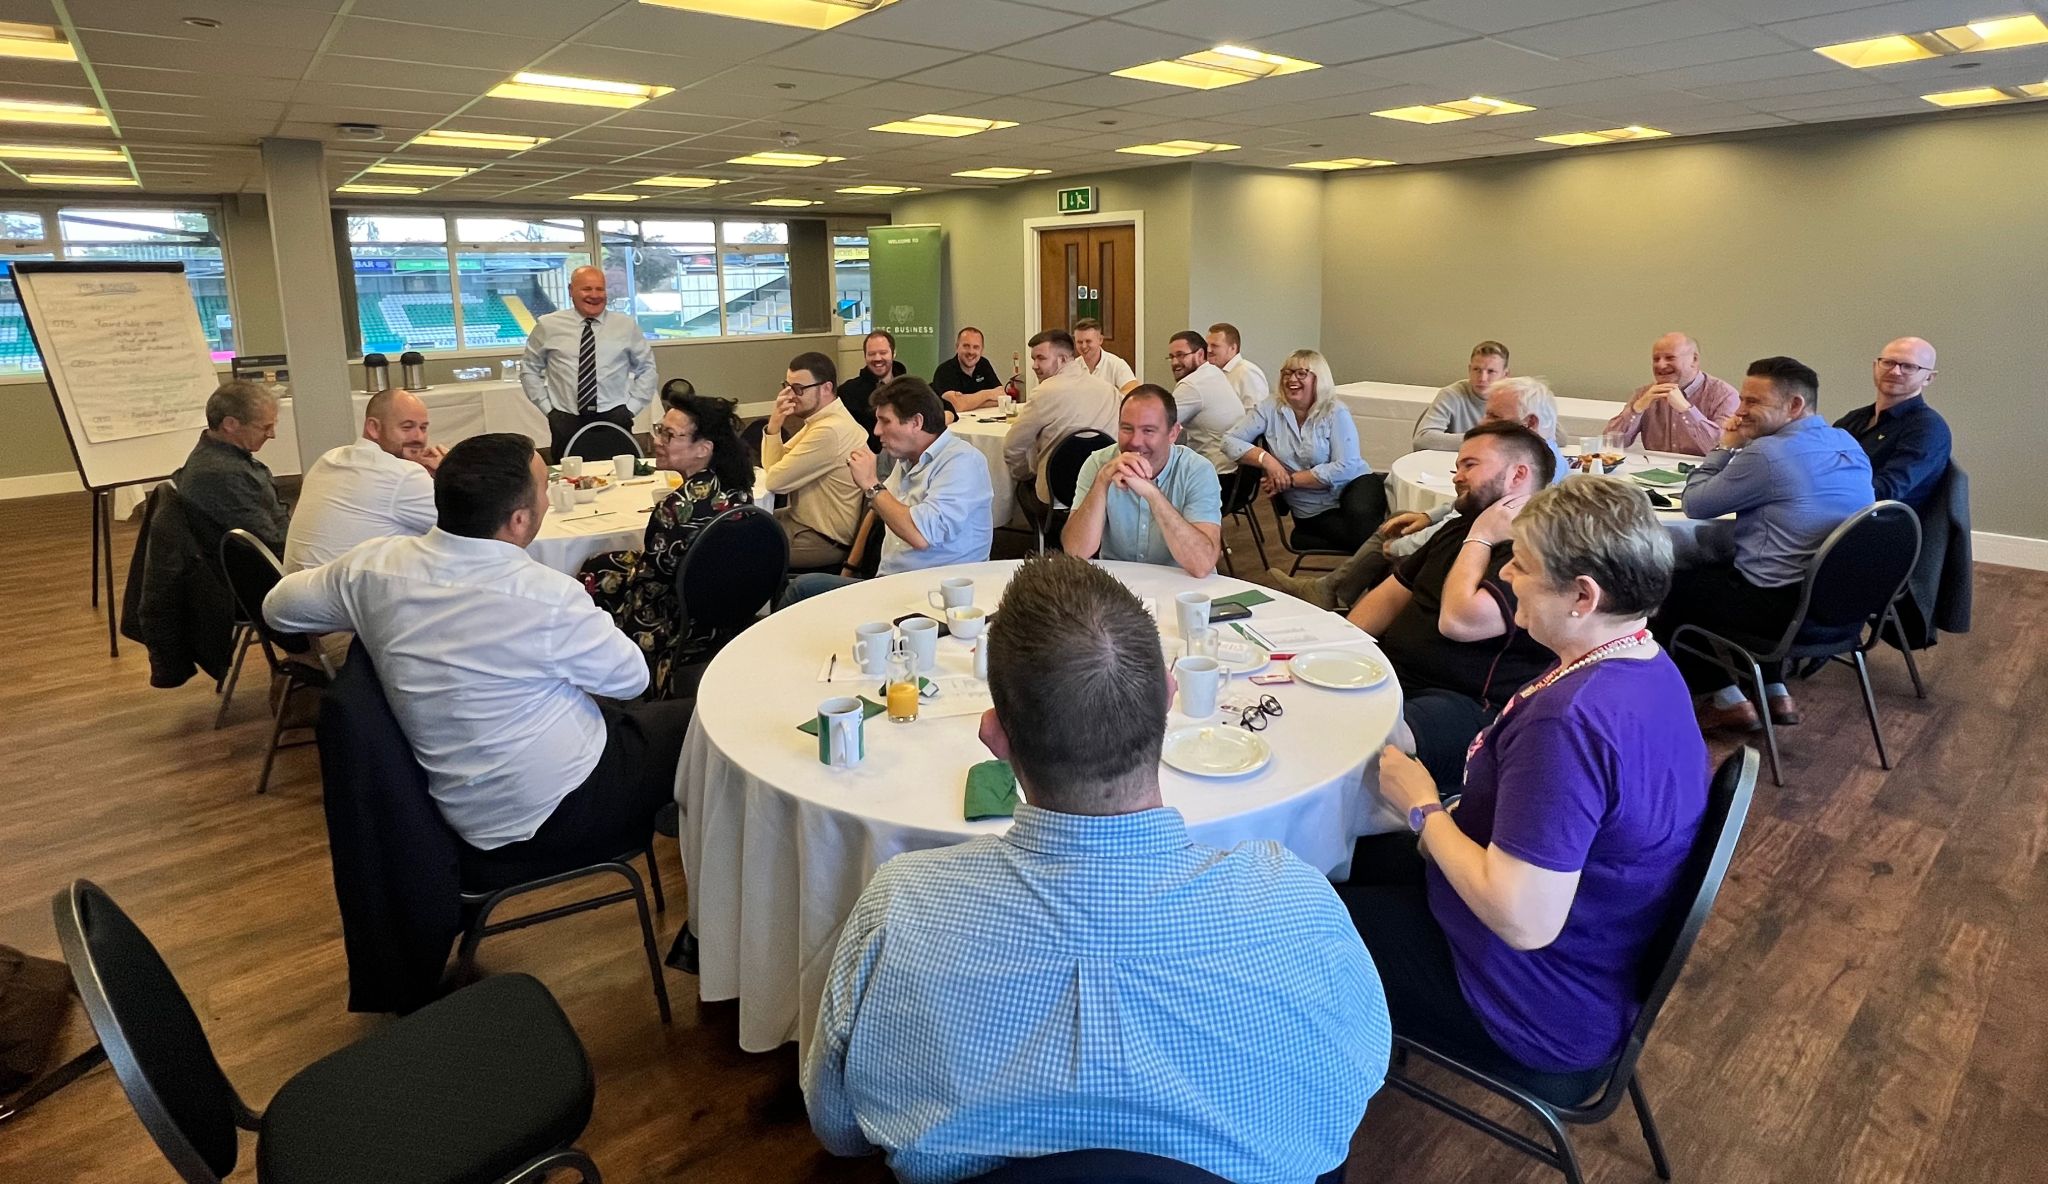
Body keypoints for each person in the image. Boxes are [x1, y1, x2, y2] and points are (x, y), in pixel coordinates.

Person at [804, 553, 1390, 1184]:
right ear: (1169, 703)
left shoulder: (899, 907)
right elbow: (1355, 1086)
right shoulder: (1296, 902)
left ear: (994, 737)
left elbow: (838, 1128)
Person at [1343, 476, 1707, 1080]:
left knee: (1283, 919)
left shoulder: (1569, 724)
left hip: (1529, 998)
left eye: (1523, 564)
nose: (1506, 574)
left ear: (1582, 595)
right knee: (1346, 852)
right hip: (1591, 951)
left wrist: (1424, 809)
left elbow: (1522, 920)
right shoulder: (1648, 664)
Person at [262, 433, 691, 882]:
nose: (548, 500)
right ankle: (702, 882)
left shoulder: (372, 567)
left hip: (460, 808)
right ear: (520, 520)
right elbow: (631, 680)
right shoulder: (545, 596)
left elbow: (278, 608)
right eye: (544, 490)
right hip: (551, 811)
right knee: (697, 723)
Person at [1652, 356, 1873, 731]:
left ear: (1795, 405)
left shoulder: (1768, 454)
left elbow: (1695, 504)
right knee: (1744, 567)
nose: (1739, 411)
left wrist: (1724, 447)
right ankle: (1774, 690)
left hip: (1779, 611)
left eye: (1753, 401)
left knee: (1663, 583)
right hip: (1839, 606)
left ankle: (1725, 698)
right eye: (1742, 399)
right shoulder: (1846, 442)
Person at [1347, 421, 1555, 789]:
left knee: (1366, 742)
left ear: (1518, 475)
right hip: (1393, 675)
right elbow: (1389, 596)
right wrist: (1341, 649)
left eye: (1470, 465)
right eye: (1457, 466)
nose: (1457, 477)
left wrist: (1482, 536)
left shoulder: (1541, 551)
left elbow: (1459, 622)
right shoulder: (1458, 528)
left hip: (1464, 702)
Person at [1265, 376, 1562, 613]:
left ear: (1530, 423)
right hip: (1467, 538)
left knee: (1394, 540)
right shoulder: (1529, 456)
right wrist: (1426, 516)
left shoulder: (1532, 471)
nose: (1482, 422)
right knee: (1398, 520)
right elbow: (1467, 507)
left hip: (1472, 555)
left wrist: (1407, 546)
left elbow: (1465, 525)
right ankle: (1334, 591)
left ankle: (1342, 595)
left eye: (1494, 416)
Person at [580, 394, 754, 698]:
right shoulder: (739, 489)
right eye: (660, 429)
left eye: (669, 435)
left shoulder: (676, 508)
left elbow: (653, 577)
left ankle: (613, 674)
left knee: (594, 571)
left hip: (679, 613)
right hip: (731, 601)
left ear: (703, 449)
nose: (657, 440)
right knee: (604, 561)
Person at [782, 377, 994, 604]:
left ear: (916, 422)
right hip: (893, 584)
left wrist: (871, 485)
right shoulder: (908, 460)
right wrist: (850, 567)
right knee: (801, 586)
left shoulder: (962, 462)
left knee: (802, 589)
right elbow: (877, 510)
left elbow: (921, 536)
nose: (876, 431)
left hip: (933, 596)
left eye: (885, 421)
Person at [1063, 386, 1222, 578]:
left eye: (1148, 430)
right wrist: (1102, 482)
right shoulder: (1098, 464)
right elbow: (1075, 552)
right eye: (1127, 428)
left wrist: (1152, 494)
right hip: (1119, 586)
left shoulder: (1197, 470)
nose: (1136, 441)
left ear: (1173, 433)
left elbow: (1201, 564)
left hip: (1183, 583)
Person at [282, 388, 442, 575]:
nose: (419, 438)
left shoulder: (330, 458)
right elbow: (469, 528)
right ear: (373, 428)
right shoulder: (404, 475)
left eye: (423, 428)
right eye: (407, 428)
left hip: (297, 588)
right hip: (348, 592)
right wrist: (451, 474)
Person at [1222, 349, 1372, 545]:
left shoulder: (1336, 410)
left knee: (1365, 526)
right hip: (1311, 505)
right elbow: (1229, 441)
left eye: (1301, 373)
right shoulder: (1269, 408)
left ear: (1319, 379)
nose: (1292, 379)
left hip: (1354, 486)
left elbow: (1347, 466)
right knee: (1370, 538)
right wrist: (1267, 461)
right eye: (1287, 373)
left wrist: (1290, 480)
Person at [519, 264, 657, 461]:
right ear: (571, 291)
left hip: (615, 416)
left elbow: (647, 368)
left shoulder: (626, 326)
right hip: (566, 419)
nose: (594, 295)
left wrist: (631, 409)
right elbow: (529, 369)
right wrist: (548, 409)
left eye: (600, 289)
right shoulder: (548, 325)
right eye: (586, 289)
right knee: (568, 476)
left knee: (620, 474)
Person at [762, 351, 867, 571]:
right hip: (803, 522)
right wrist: (775, 423)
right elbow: (775, 465)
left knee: (743, 551)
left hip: (822, 539)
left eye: (798, 388)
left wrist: (776, 425)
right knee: (747, 523)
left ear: (826, 388)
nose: (790, 395)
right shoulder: (822, 420)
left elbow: (775, 481)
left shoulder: (830, 430)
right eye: (787, 386)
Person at [1833, 336, 1952, 512]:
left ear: (1928, 378)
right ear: (1875, 367)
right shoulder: (1854, 419)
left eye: (1909, 366)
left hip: (1874, 521)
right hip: (1831, 511)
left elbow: (1886, 491)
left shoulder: (1928, 428)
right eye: (1888, 363)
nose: (1895, 371)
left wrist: (1825, 490)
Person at [1002, 328, 1119, 506]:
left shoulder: (1044, 392)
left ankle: (1046, 525)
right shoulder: (1109, 390)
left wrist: (1026, 474)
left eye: (1041, 358)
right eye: (1033, 359)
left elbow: (1012, 447)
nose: (1034, 365)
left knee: (1022, 489)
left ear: (1063, 359)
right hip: (1105, 491)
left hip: (1057, 495)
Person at [174, 379, 289, 557]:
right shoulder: (222, 475)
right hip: (258, 567)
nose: (272, 434)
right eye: (266, 427)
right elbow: (269, 545)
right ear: (230, 424)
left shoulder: (216, 457)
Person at [1602, 332, 1740, 457]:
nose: (1661, 365)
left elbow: (1722, 449)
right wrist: (1636, 409)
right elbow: (1610, 443)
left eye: (1670, 358)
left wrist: (1687, 410)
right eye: (1656, 359)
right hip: (1652, 471)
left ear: (1694, 360)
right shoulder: (1644, 394)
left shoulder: (1724, 395)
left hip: (1703, 472)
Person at [1163, 330, 1242, 470]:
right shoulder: (1213, 372)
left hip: (1215, 472)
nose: (1174, 362)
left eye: (1181, 355)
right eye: (1171, 357)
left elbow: (1159, 425)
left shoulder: (1191, 384)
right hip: (1235, 467)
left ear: (1200, 354)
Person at [1413, 340, 1509, 451]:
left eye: (1491, 371)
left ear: (1505, 375)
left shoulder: (1513, 399)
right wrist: (1481, 440)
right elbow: (1422, 440)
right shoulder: (1451, 394)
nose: (1482, 378)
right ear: (1469, 369)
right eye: (1477, 369)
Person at [837, 328, 908, 451]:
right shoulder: (847, 392)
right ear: (865, 356)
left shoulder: (909, 388)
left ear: (894, 353)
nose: (877, 358)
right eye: (871, 354)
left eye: (883, 353)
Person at [932, 326, 1003, 413]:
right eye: (966, 346)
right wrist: (988, 394)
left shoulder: (984, 364)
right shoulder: (944, 370)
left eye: (976, 347)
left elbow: (1001, 396)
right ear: (957, 347)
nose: (971, 352)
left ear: (982, 350)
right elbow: (955, 405)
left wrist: (966, 401)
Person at [1207, 321, 1270, 412]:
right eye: (1207, 345)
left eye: (1215, 346)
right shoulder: (1214, 372)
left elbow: (1257, 414)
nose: (1208, 350)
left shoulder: (1247, 372)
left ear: (1233, 348)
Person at [1072, 316, 1136, 393]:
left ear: (1100, 340)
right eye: (1079, 342)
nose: (1084, 346)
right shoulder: (1072, 367)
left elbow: (1133, 390)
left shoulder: (1117, 364)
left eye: (1088, 341)